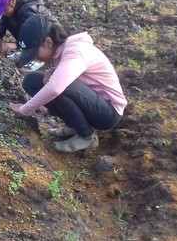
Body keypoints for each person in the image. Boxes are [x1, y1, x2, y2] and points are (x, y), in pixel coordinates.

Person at [8, 15, 127, 153]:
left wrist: (25, 109)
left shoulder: (75, 51)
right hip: (93, 103)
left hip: (108, 112)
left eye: (35, 52)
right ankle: (74, 126)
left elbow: (55, 88)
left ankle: (86, 136)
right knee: (32, 81)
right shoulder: (64, 51)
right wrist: (53, 70)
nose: (35, 58)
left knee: (58, 86)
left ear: (48, 42)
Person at [0, 0, 61, 71]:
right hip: (34, 41)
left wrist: (17, 44)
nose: (3, 14)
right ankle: (28, 52)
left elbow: (37, 32)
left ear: (12, 1)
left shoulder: (28, 11)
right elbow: (4, 22)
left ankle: (37, 58)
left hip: (47, 41)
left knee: (27, 26)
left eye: (4, 10)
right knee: (9, 19)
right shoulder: (12, 11)